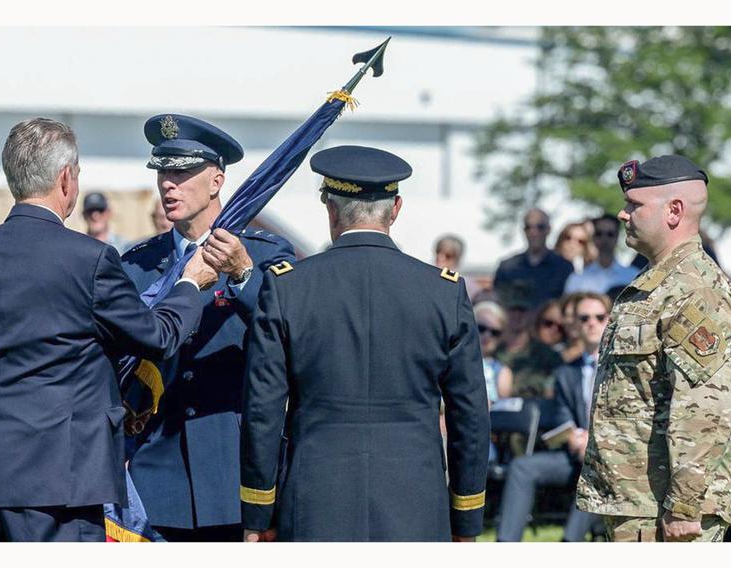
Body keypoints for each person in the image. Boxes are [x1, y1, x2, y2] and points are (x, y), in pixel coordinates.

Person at [0, 117, 217, 542]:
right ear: (66, 178)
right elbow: (158, 336)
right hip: (58, 477)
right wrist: (191, 283)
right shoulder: (90, 259)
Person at [239, 145, 489, 542]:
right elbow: (470, 416)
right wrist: (466, 519)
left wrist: (258, 511)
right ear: (396, 208)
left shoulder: (288, 287)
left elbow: (262, 411)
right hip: (417, 502)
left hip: (316, 497)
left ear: (331, 210)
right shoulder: (444, 292)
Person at [118, 114, 295, 542]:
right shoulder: (138, 265)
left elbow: (291, 335)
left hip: (234, 463)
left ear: (216, 181)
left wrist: (242, 276)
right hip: (157, 467)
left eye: (181, 172)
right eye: (163, 172)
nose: (167, 184)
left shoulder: (264, 254)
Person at [576, 155, 731, 542]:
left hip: (665, 510)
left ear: (674, 211)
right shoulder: (655, 284)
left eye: (634, 205)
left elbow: (704, 411)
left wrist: (684, 509)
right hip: (637, 502)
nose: (622, 214)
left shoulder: (695, 291)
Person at [496, 292, 610, 541]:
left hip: (610, 457)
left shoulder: (622, 367)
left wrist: (594, 443)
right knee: (522, 467)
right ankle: (505, 545)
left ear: (609, 321)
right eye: (584, 317)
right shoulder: (565, 373)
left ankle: (569, 543)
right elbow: (562, 415)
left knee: (596, 467)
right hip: (575, 452)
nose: (592, 323)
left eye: (599, 317)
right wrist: (575, 439)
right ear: (575, 325)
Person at [493, 208, 574, 311]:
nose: (534, 232)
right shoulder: (506, 267)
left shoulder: (564, 267)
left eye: (540, 227)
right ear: (524, 231)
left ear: (549, 229)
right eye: (528, 227)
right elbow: (498, 304)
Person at [564, 214, 639, 295]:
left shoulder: (633, 277)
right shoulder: (577, 279)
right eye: (599, 233)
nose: (604, 238)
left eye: (610, 234)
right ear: (593, 237)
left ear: (617, 237)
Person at [474, 300, 513, 404]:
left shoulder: (502, 372)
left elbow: (501, 412)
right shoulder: (449, 360)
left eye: (494, 333)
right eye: (481, 328)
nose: (487, 336)